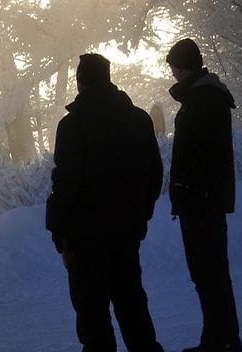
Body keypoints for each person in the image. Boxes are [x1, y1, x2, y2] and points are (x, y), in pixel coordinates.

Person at [46, 53, 165, 352]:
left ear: (80, 82)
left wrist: (58, 231)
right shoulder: (139, 120)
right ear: (109, 78)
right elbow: (154, 172)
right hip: (127, 230)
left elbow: (66, 182)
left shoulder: (72, 126)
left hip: (85, 236)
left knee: (92, 314)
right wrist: (141, 216)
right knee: (132, 304)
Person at [165, 38, 242, 352]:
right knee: (210, 275)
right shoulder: (206, 96)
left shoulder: (203, 99)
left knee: (209, 274)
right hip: (203, 199)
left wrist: (185, 189)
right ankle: (217, 339)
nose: (172, 74)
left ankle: (222, 342)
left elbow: (202, 153)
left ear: (183, 67)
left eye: (173, 67)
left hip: (201, 202)